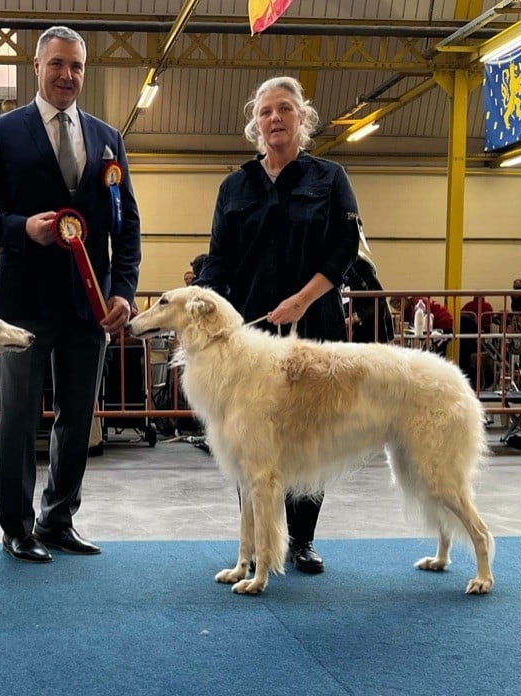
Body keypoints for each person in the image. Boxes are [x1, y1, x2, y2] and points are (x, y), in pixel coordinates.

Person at [0, 25, 141, 563]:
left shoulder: (108, 138)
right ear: (36, 67)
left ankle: (60, 518)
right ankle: (16, 526)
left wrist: (123, 291)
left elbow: (126, 224)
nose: (67, 75)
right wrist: (20, 228)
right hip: (22, 305)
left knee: (78, 415)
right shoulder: (3, 130)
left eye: (77, 66)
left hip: (91, 304)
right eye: (57, 64)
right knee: (17, 417)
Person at [193, 76, 360, 575]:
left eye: (285, 109)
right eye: (266, 111)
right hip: (248, 334)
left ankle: (301, 541)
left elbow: (344, 251)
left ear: (303, 119)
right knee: (249, 443)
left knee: (309, 434)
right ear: (255, 123)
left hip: (313, 324)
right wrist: (206, 306)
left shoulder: (330, 178)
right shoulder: (234, 186)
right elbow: (218, 260)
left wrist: (304, 299)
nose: (275, 119)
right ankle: (256, 546)